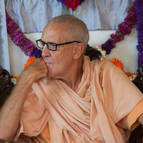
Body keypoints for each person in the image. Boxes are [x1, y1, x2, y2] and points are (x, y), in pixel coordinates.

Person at [0, 15, 143, 143]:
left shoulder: (102, 74)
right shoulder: (39, 85)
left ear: (77, 50)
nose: (44, 53)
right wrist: (25, 80)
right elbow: (3, 134)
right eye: (43, 45)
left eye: (52, 46)